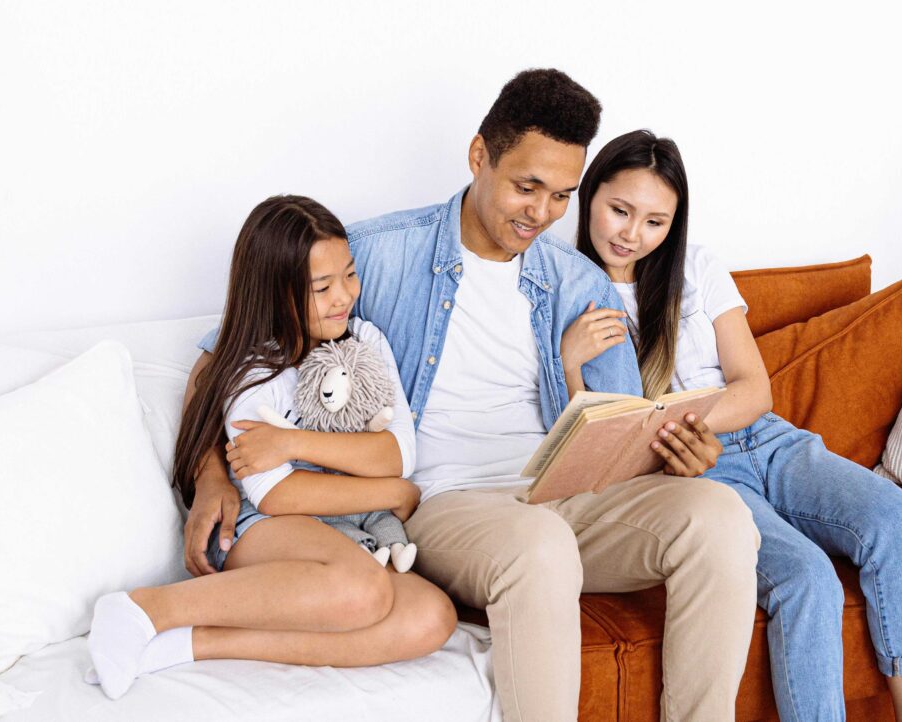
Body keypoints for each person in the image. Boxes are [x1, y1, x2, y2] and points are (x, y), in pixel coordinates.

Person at [186, 70, 760, 722]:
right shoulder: (376, 255)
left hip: (559, 496)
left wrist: (672, 451)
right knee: (537, 544)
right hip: (446, 503)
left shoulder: (581, 285)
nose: (540, 213)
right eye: (526, 187)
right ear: (479, 155)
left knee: (719, 516)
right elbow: (220, 358)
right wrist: (211, 474)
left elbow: (626, 428)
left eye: (561, 197)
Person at [566, 128, 902, 722]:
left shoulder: (696, 267)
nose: (631, 234)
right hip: (695, 472)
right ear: (590, 195)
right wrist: (573, 362)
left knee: (899, 520)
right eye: (619, 210)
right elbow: (591, 431)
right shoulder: (565, 283)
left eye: (655, 221)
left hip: (767, 439)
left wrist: (684, 415)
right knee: (807, 580)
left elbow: (753, 386)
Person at [85, 195, 456, 701]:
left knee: (432, 616)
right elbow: (278, 495)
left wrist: (295, 442)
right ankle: (150, 607)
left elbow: (399, 452)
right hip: (264, 525)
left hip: (343, 529)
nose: (343, 296)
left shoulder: (367, 344)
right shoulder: (254, 370)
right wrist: (390, 491)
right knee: (362, 591)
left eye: (349, 275)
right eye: (321, 287)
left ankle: (185, 645)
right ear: (274, 294)